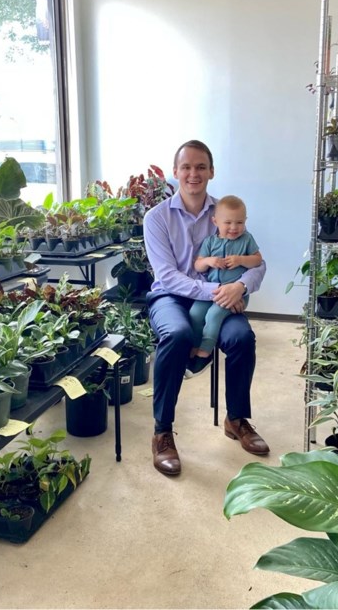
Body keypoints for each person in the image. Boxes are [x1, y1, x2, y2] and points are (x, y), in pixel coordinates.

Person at [143, 139, 269, 477]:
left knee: (242, 337)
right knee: (178, 333)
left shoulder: (226, 212)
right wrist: (218, 289)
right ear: (175, 172)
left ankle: (236, 419)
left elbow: (257, 263)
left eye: (201, 167)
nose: (193, 174)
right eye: (186, 167)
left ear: (211, 171)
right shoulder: (156, 218)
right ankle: (162, 431)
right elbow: (167, 276)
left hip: (219, 297)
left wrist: (240, 286)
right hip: (171, 296)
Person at [187, 195, 263, 376]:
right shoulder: (210, 242)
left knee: (213, 315)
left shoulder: (246, 239)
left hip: (236, 294)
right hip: (211, 291)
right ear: (215, 221)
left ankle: (205, 353)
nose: (234, 227)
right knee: (195, 314)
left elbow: (258, 260)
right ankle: (195, 347)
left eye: (239, 222)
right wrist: (209, 261)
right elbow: (197, 264)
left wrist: (241, 260)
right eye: (228, 222)